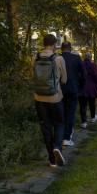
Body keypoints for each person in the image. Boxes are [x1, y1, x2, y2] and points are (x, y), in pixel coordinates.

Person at [33, 34, 67, 167]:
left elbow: (33, 77)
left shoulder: (35, 58)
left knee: (45, 127)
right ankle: (57, 146)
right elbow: (64, 80)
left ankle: (52, 160)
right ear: (54, 44)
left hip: (39, 98)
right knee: (59, 124)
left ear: (43, 43)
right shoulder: (58, 58)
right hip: (55, 98)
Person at [60, 41, 87, 147]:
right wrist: (80, 87)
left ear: (61, 48)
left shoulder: (57, 58)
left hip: (60, 89)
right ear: (70, 48)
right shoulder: (76, 58)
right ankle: (66, 137)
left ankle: (60, 135)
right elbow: (84, 75)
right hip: (73, 89)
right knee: (70, 113)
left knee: (61, 113)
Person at [79, 52, 97, 129]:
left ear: (84, 57)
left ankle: (84, 122)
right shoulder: (93, 65)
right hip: (91, 88)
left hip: (82, 88)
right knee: (91, 104)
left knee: (82, 106)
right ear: (90, 57)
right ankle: (93, 117)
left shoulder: (80, 65)